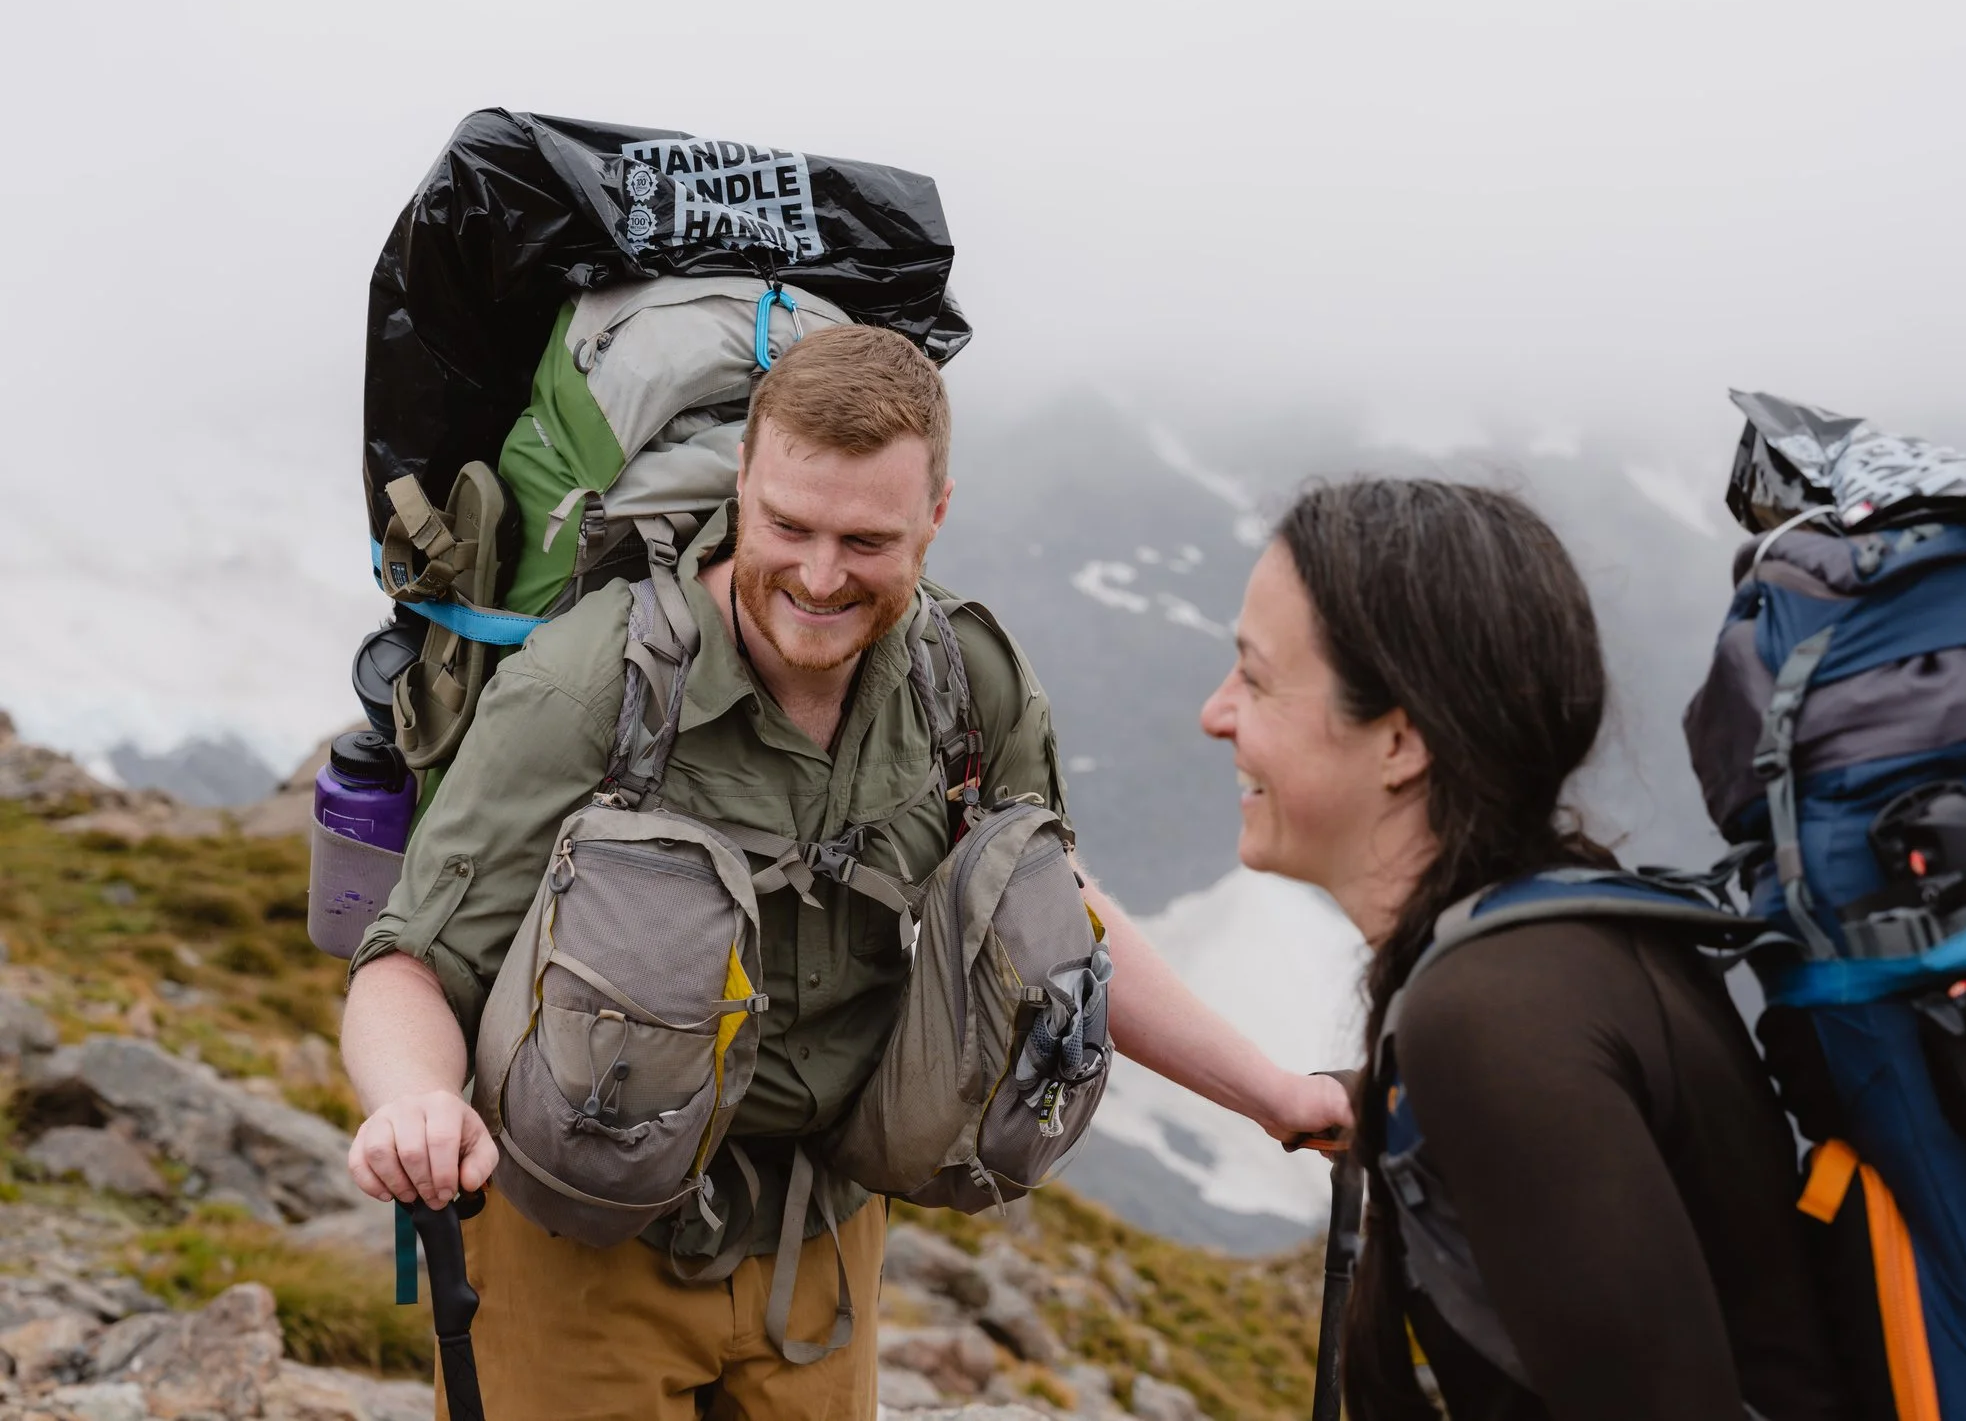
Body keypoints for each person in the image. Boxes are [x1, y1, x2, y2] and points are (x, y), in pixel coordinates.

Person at [341, 325, 1350, 1421]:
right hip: (574, 1245)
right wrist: (414, 1103)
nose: (819, 577)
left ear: (937, 514)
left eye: (867, 539)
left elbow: (1055, 907)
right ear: (743, 482)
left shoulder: (967, 680)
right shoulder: (588, 689)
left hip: (817, 1253)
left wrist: (1271, 1094)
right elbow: (409, 967)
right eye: (787, 525)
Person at [1199, 478, 1856, 1421]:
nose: (1216, 714)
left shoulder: (1494, 1017)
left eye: (1256, 678)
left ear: (1401, 738)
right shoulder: (1557, 947)